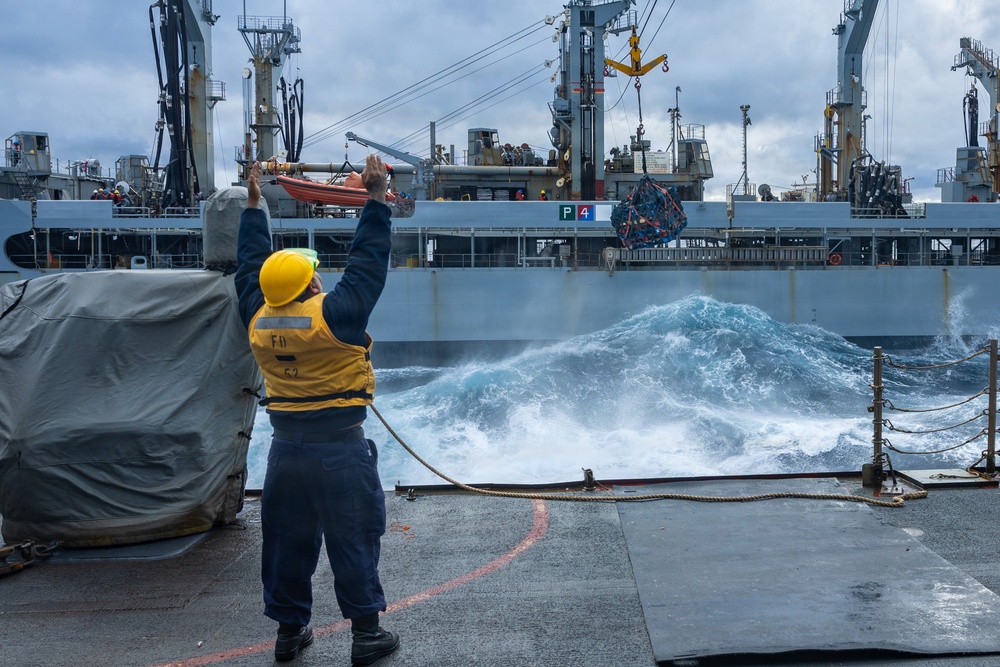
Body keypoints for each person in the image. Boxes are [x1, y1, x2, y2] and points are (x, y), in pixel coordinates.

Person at [235, 155, 400, 666]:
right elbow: (368, 263)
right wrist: (375, 199)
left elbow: (248, 269)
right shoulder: (333, 316)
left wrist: (254, 209)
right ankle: (367, 636)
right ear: (309, 284)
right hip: (340, 451)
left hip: (284, 454)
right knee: (353, 537)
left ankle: (289, 634)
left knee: (287, 544)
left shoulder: (257, 318)